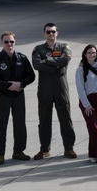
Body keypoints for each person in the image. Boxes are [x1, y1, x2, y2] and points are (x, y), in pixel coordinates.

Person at [32, 23, 76, 159]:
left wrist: (48, 61)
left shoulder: (64, 47)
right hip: (45, 87)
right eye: (48, 32)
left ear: (57, 33)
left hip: (60, 86)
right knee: (44, 118)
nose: (51, 34)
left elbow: (65, 60)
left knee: (65, 116)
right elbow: (37, 64)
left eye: (53, 32)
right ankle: (44, 148)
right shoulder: (38, 49)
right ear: (44, 34)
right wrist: (56, 65)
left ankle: (69, 148)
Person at [0, 31, 35, 164]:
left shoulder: (22, 58)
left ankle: (18, 151)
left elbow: (31, 76)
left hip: (19, 95)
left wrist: (21, 84)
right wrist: (8, 85)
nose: (9, 44)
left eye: (11, 42)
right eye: (6, 42)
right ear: (1, 43)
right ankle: (0, 154)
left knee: (20, 124)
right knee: (1, 125)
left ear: (15, 42)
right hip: (3, 95)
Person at [75, 44, 97, 163]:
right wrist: (86, 104)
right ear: (85, 54)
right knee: (94, 127)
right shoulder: (80, 69)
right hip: (87, 102)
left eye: (93, 53)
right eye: (89, 53)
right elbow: (80, 88)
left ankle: (92, 153)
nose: (91, 55)